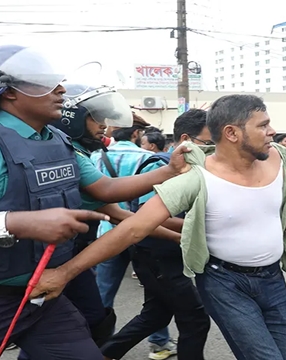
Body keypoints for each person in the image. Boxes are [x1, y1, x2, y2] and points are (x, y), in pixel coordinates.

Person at [0, 44, 188, 360]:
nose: (60, 89)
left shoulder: (56, 140)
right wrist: (19, 223)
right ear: (9, 91)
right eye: (44, 82)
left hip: (43, 297)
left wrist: (169, 171)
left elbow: (105, 188)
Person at [31, 94, 286, 360]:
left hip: (273, 280)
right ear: (232, 133)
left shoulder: (278, 159)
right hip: (225, 284)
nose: (272, 132)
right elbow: (134, 228)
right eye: (263, 125)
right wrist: (64, 273)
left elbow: (285, 206)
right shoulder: (196, 178)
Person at [99, 109, 212, 360]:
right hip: (156, 251)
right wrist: (190, 227)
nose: (213, 148)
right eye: (208, 142)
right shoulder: (163, 165)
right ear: (187, 139)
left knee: (156, 315)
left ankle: (102, 354)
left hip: (162, 252)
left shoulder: (196, 168)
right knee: (195, 319)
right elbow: (147, 214)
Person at [91, 113, 178, 358]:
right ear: (136, 134)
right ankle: (159, 343)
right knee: (153, 294)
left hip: (106, 232)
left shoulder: (97, 156)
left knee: (103, 294)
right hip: (142, 234)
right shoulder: (146, 157)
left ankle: (98, 344)